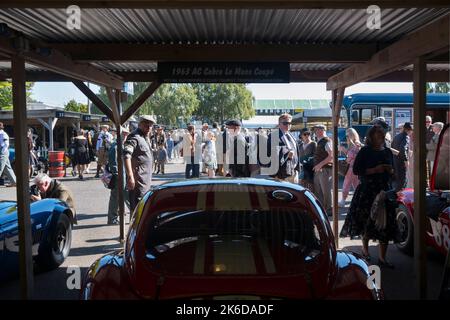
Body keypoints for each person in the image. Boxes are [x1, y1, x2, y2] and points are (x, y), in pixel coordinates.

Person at [340, 125, 398, 268]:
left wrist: (390, 171)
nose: (381, 137)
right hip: (367, 191)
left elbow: (394, 173)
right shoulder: (365, 151)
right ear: (371, 137)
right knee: (367, 222)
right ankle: (365, 250)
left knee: (386, 224)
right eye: (378, 135)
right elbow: (357, 170)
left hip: (384, 191)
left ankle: (382, 258)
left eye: (382, 135)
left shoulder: (388, 152)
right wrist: (374, 170)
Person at [123, 115, 156, 213]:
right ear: (140, 124)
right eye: (146, 125)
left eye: (150, 126)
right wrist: (130, 176)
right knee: (137, 211)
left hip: (145, 181)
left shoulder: (144, 137)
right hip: (138, 182)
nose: (149, 128)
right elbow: (126, 156)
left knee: (142, 209)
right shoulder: (134, 137)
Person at [107, 126, 130, 225]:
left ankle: (113, 218)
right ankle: (112, 218)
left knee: (120, 196)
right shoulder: (116, 146)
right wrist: (117, 175)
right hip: (119, 176)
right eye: (124, 134)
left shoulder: (121, 145)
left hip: (122, 174)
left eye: (126, 134)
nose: (125, 135)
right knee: (118, 196)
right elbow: (113, 162)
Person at [266, 114, 299, 183]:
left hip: (293, 171)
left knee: (293, 193)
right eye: (285, 123)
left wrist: (297, 169)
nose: (288, 125)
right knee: (282, 193)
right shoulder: (274, 135)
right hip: (281, 173)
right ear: (279, 124)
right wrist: (287, 153)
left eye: (290, 123)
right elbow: (271, 152)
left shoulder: (291, 135)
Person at [339, 128, 362, 207]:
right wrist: (345, 151)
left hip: (352, 168)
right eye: (346, 135)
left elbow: (354, 156)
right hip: (354, 168)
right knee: (356, 184)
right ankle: (358, 200)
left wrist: (345, 150)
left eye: (348, 135)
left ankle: (343, 201)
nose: (347, 137)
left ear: (352, 135)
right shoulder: (353, 143)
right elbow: (351, 156)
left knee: (347, 183)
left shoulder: (356, 143)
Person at [312, 124, 333, 215]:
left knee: (326, 191)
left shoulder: (327, 141)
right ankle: (321, 209)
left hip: (325, 170)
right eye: (315, 130)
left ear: (322, 130)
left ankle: (328, 210)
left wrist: (319, 165)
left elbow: (331, 156)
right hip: (320, 169)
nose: (315, 132)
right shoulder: (321, 141)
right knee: (318, 191)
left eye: (316, 130)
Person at [391, 122, 413, 191]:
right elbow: (402, 149)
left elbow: (392, 147)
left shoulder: (397, 136)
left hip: (395, 160)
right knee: (402, 181)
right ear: (408, 130)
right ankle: (398, 197)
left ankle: (394, 195)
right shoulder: (406, 137)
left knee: (397, 181)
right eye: (411, 130)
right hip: (401, 162)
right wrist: (406, 161)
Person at [0, 122, 16, 187]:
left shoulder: (4, 134)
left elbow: (6, 145)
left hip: (3, 152)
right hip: (3, 152)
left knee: (0, 167)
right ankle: (14, 182)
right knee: (7, 168)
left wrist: (1, 153)